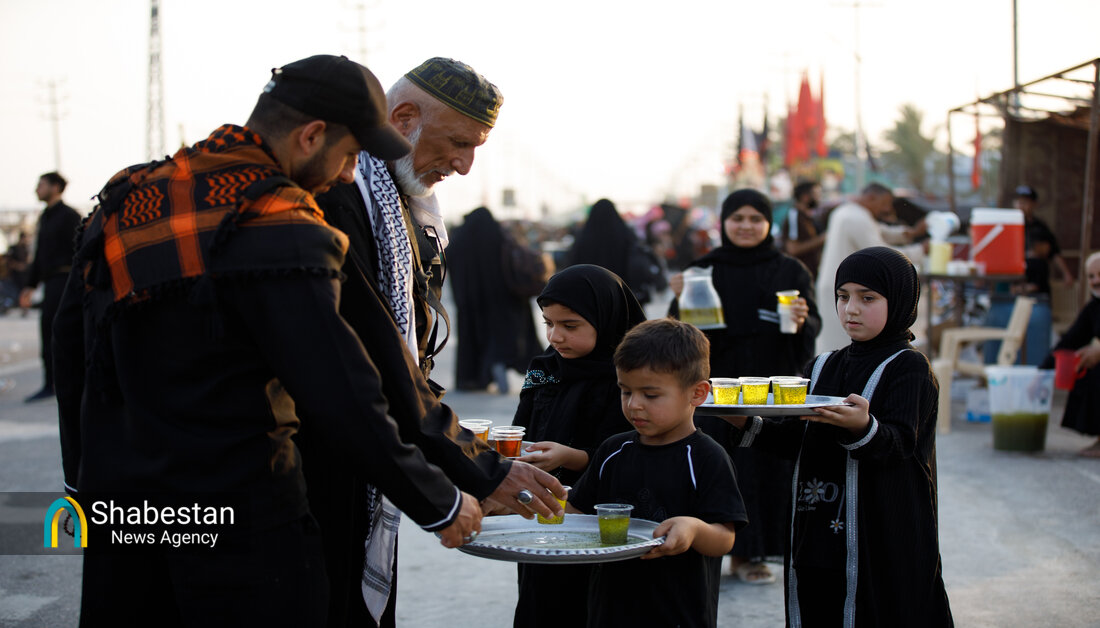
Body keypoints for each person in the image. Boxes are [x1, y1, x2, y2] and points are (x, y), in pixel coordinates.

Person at [51, 54, 488, 625]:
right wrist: (439, 501)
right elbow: (339, 385)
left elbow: (71, 347)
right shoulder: (282, 224)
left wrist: (82, 484)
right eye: (352, 155)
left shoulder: (129, 196)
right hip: (241, 516)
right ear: (310, 137)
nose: (350, 175)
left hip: (124, 509)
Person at [310, 59, 563, 627]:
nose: (465, 166)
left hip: (371, 450)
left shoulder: (402, 203)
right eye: (457, 143)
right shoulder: (340, 198)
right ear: (402, 118)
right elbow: (372, 360)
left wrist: (469, 464)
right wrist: (467, 477)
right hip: (318, 460)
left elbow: (407, 357)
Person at [720, 246, 953, 627]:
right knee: (819, 605)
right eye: (843, 296)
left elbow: (899, 445)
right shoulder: (824, 364)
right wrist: (745, 422)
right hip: (819, 527)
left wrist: (862, 426)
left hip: (882, 532)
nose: (851, 309)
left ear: (900, 301)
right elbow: (795, 439)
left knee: (880, 610)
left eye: (868, 298)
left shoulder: (909, 367)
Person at [668, 188, 820, 585]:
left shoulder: (791, 271)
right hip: (717, 389)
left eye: (756, 219)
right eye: (738, 218)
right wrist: (678, 300)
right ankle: (717, 550)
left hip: (770, 389)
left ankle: (755, 554)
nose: (747, 226)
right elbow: (677, 334)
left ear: (769, 223)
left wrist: (803, 321)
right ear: (724, 223)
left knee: (768, 468)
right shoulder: (704, 269)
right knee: (723, 468)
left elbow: (812, 332)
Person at [565, 318, 748, 628]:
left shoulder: (705, 458)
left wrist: (693, 529)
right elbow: (575, 512)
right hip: (609, 609)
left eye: (650, 395)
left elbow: (724, 539)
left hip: (679, 612)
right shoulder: (612, 451)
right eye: (625, 391)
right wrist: (531, 504)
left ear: (697, 394)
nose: (634, 405)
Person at [511, 264, 647, 627]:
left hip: (602, 518)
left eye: (570, 326)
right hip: (544, 515)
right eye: (548, 323)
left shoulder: (632, 377)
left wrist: (574, 456)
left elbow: (636, 447)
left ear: (606, 319)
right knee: (543, 602)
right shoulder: (544, 368)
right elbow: (521, 428)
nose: (556, 336)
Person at [815, 183, 923, 354]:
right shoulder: (856, 218)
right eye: (885, 203)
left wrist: (910, 233)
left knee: (836, 340)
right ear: (871, 198)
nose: (887, 209)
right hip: (845, 289)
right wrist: (921, 250)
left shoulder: (848, 212)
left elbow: (879, 231)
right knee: (842, 343)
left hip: (839, 287)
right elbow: (884, 254)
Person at [448, 206, 542, 393]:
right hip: (502, 298)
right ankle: (502, 364)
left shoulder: (459, 240)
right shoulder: (499, 237)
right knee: (503, 336)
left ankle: (474, 377)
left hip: (470, 301)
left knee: (473, 338)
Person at [984, 184, 1074, 365]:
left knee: (1033, 336)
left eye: (1025, 202)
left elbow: (1054, 253)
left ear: (1034, 204)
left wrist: (1066, 274)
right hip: (1009, 290)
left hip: (1036, 292)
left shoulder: (1040, 228)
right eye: (1019, 202)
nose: (1021, 206)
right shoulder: (1006, 227)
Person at [20, 172, 81, 402]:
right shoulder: (45, 217)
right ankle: (50, 383)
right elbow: (40, 256)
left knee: (62, 331)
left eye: (41, 185)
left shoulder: (69, 216)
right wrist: (29, 286)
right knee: (48, 331)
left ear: (56, 187)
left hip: (65, 281)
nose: (37, 189)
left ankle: (67, 382)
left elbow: (81, 251)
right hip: (50, 282)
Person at [1040, 251, 1100, 457]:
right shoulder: (1093, 308)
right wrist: (1039, 373)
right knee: (1085, 368)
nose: (1096, 281)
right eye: (1091, 276)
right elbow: (1070, 341)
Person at [567, 198, 662, 305]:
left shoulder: (584, 237)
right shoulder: (625, 234)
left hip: (591, 295)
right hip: (623, 294)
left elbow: (573, 264)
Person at [780, 180, 826, 278]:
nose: (819, 198)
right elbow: (793, 249)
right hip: (797, 276)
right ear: (805, 197)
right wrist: (822, 239)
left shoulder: (809, 217)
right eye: (816, 194)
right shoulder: (794, 215)